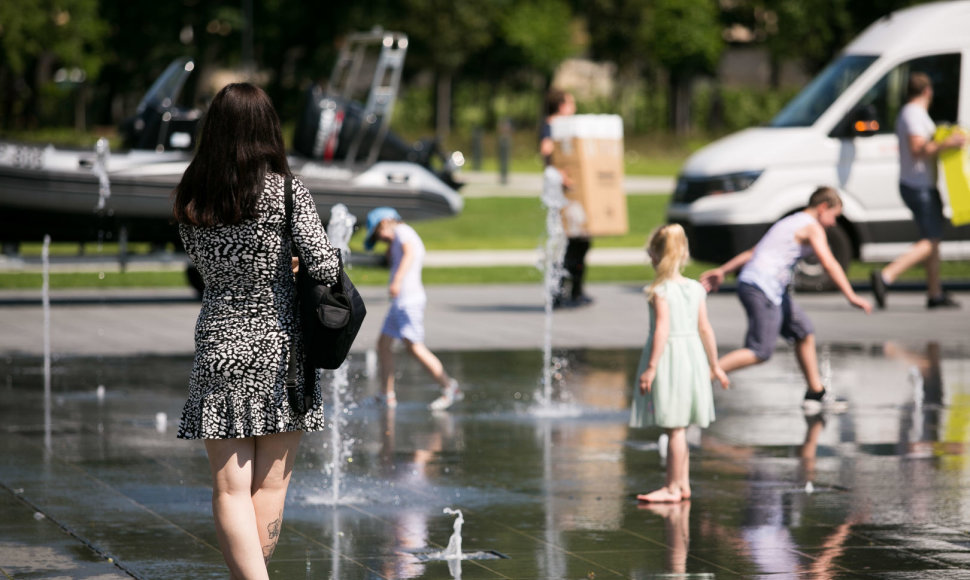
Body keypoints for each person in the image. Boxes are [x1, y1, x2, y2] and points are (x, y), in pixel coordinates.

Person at [172, 83, 341, 579]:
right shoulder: (286, 189)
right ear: (268, 128)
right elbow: (324, 266)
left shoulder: (193, 190)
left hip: (219, 341)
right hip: (279, 348)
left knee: (228, 490)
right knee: (269, 488)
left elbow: (203, 262)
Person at [700, 187, 872, 414]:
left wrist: (723, 270)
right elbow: (829, 262)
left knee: (803, 331)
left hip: (755, 284)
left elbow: (754, 252)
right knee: (759, 351)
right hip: (764, 287)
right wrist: (851, 295)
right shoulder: (812, 227)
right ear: (823, 208)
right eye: (834, 216)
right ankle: (699, 380)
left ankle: (815, 392)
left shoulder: (788, 222)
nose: (833, 224)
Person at [631, 224, 729, 503]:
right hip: (693, 356)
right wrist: (715, 364)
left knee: (674, 427)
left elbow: (662, 329)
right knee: (681, 427)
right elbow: (705, 329)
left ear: (656, 256)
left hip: (670, 359)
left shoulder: (659, 290)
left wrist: (651, 367)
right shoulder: (696, 288)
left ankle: (673, 488)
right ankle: (683, 483)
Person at [871, 72, 967, 309]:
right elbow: (918, 148)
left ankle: (935, 294)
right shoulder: (912, 113)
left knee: (933, 238)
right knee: (931, 240)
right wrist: (948, 143)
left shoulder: (914, 113)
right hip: (918, 186)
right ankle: (886, 276)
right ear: (928, 91)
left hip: (921, 185)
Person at [365, 207, 462, 411]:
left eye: (378, 234)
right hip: (400, 302)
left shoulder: (403, 232)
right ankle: (386, 394)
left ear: (385, 222)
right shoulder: (399, 236)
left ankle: (449, 386)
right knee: (383, 344)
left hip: (409, 300)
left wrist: (397, 280)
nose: (381, 240)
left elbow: (409, 253)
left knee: (414, 346)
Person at [539, 88, 592, 308]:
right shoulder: (551, 126)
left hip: (571, 193)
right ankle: (560, 291)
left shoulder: (565, 127)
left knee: (581, 241)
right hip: (561, 193)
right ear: (561, 106)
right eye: (571, 103)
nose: (574, 108)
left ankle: (574, 289)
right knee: (567, 242)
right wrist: (561, 174)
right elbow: (545, 151)